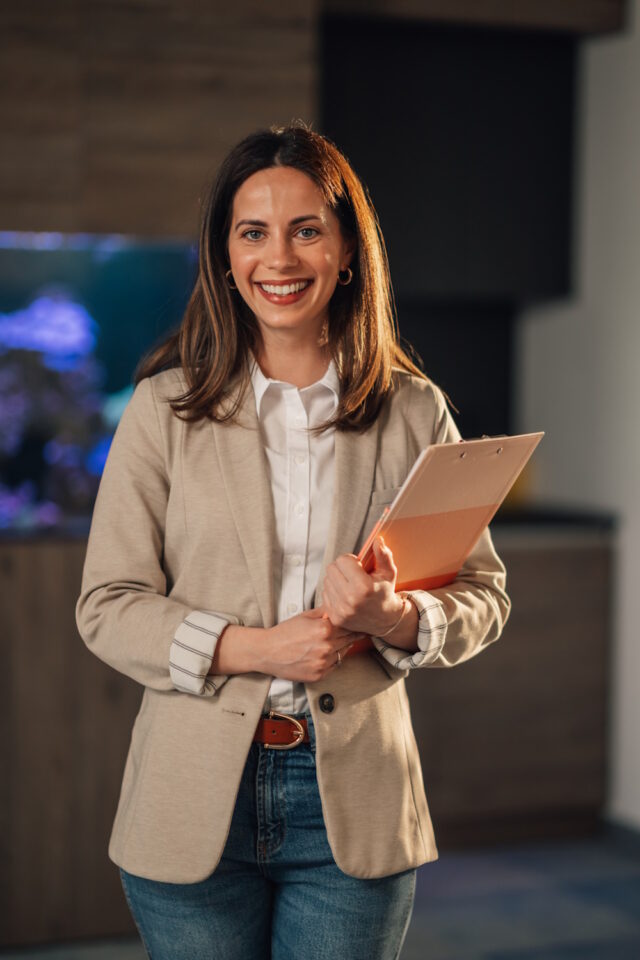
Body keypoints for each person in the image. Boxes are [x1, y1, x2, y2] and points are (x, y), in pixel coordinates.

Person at [76, 121, 510, 960]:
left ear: (346, 249)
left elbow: (482, 597)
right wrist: (256, 648)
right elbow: (106, 607)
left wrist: (393, 617)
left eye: (306, 229)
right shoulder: (161, 412)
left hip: (354, 803)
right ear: (226, 255)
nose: (280, 258)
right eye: (253, 233)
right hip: (190, 794)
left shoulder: (415, 412)